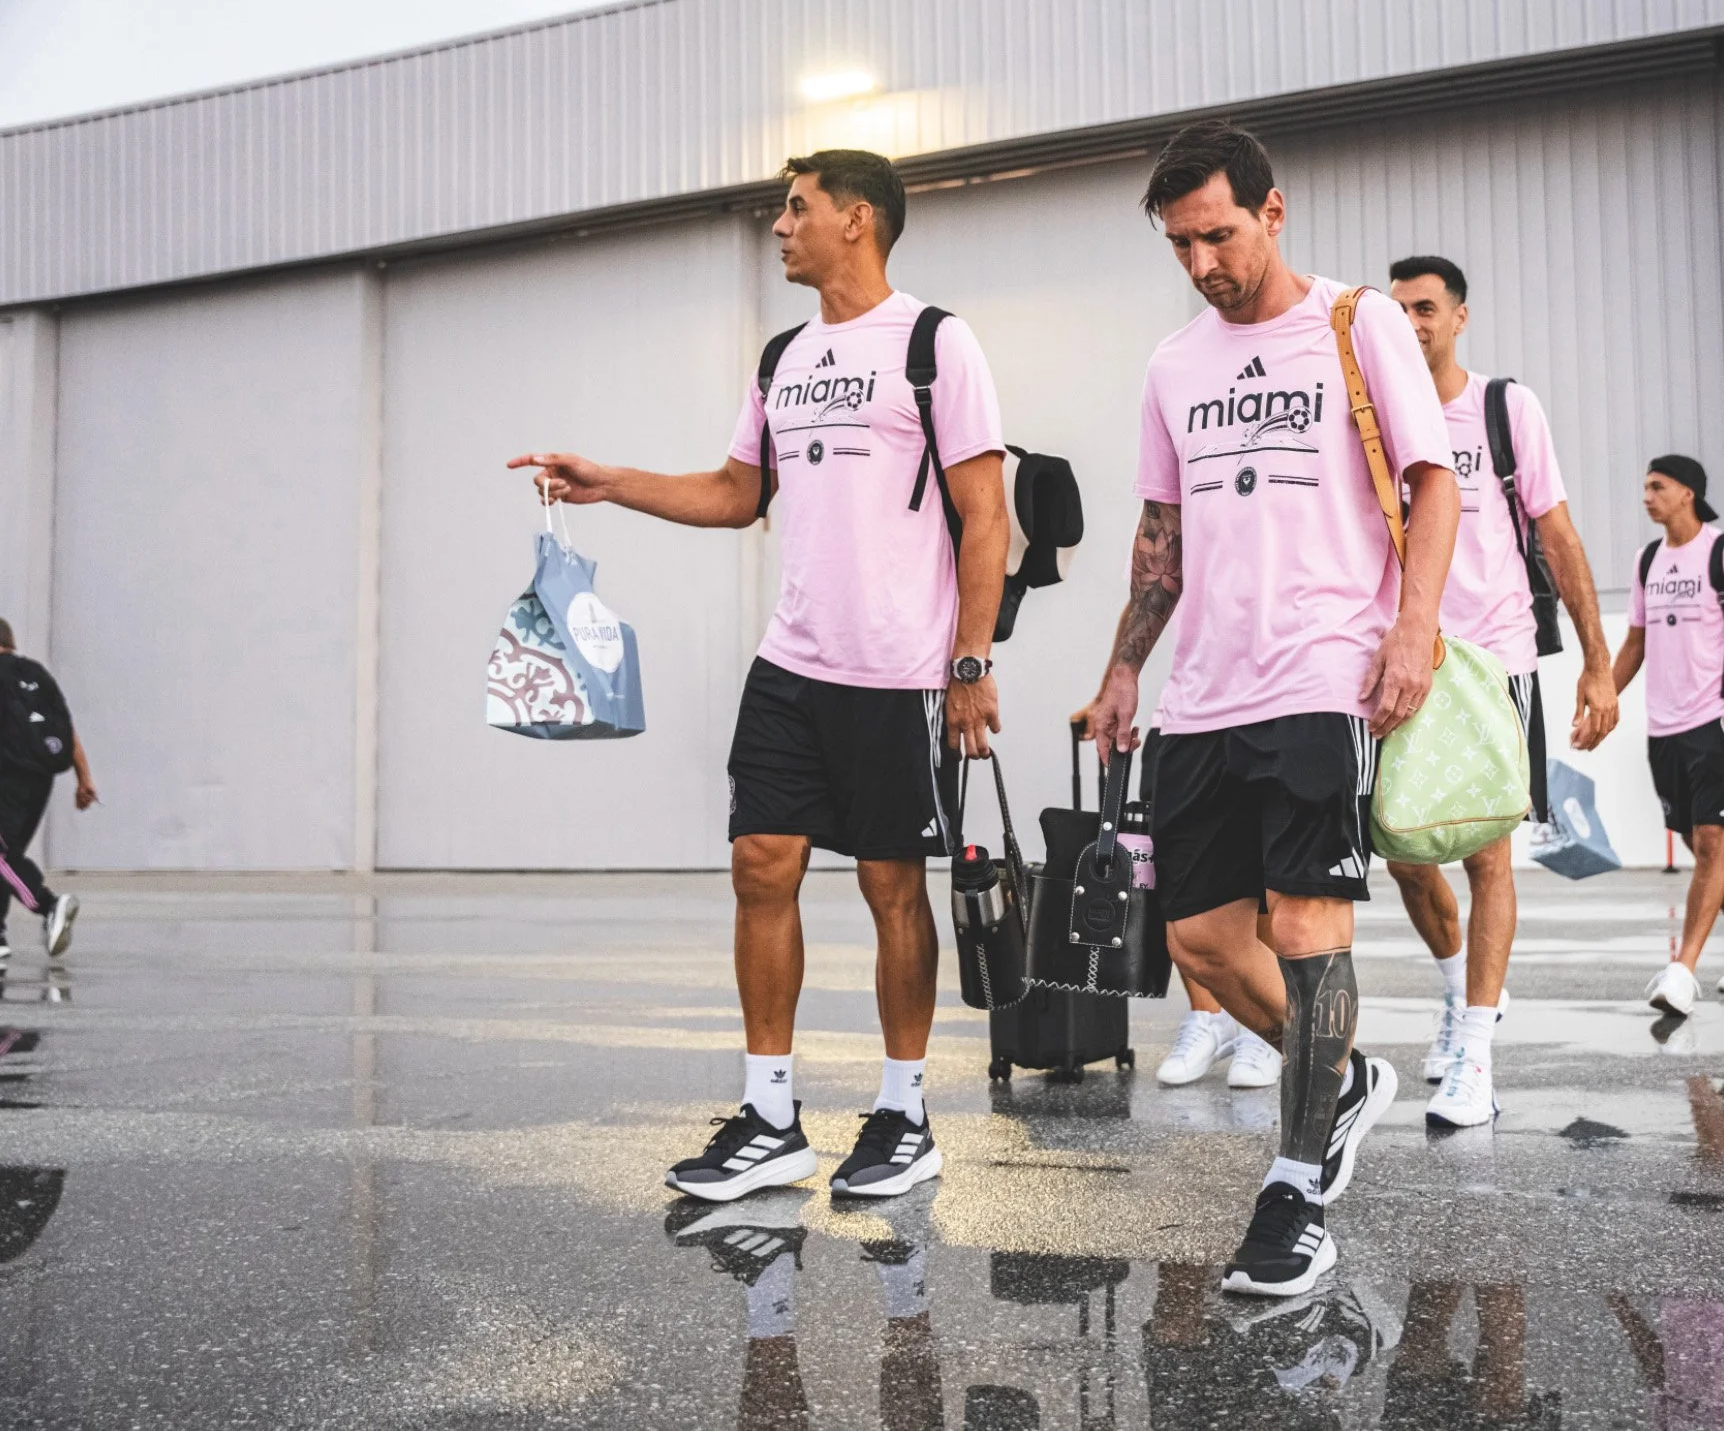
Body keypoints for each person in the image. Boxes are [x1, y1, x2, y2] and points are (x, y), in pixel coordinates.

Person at [514, 149, 1010, 1203]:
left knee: (889, 887)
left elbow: (987, 516)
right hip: (790, 662)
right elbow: (738, 492)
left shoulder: (934, 343)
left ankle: (903, 1110)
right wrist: (615, 482)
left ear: (858, 220)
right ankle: (773, 1115)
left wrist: (969, 662)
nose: (779, 228)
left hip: (897, 670)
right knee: (760, 866)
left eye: (797, 209)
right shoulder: (782, 355)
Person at [1088, 122, 1459, 1297]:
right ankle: (1337, 1079)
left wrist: (1408, 630)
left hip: (1320, 674)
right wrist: (1121, 670)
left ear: (1273, 211)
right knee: (1201, 938)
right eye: (1179, 243)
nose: (1202, 262)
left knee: (1306, 937)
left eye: (1219, 234)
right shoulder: (1171, 366)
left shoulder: (1359, 324)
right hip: (1203, 689)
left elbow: (1431, 481)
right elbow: (1163, 535)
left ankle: (1293, 1193)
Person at [1380, 257, 1620, 1131]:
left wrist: (1598, 661)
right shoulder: (1373, 419)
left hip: (1499, 663)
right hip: (1406, 660)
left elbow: (1556, 534)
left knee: (1488, 856)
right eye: (1398, 308)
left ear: (1460, 318)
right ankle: (1458, 988)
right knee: (1403, 849)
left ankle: (1476, 1053)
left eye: (1427, 308)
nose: (1411, 323)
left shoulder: (1503, 411)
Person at [1610, 457, 1724, 1016]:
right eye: (1645, 486)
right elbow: (1635, 643)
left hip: (1712, 721)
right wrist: (1601, 695)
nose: (1647, 497)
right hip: (1664, 729)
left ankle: (1682, 971)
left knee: (1711, 842)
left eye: (1657, 486)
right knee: (1704, 845)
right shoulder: (1648, 561)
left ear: (1687, 493)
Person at [1069, 704, 1281, 1092]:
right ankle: (1207, 1016)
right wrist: (1109, 691)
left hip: (1270, 708)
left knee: (1261, 859)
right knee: (1176, 865)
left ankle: (1262, 1030)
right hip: (1182, 716)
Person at [0, 618, 93, 962]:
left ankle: (50, 905)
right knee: (6, 858)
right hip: (40, 780)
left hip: (6, 779)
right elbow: (67, 732)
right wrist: (84, 779)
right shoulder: (36, 675)